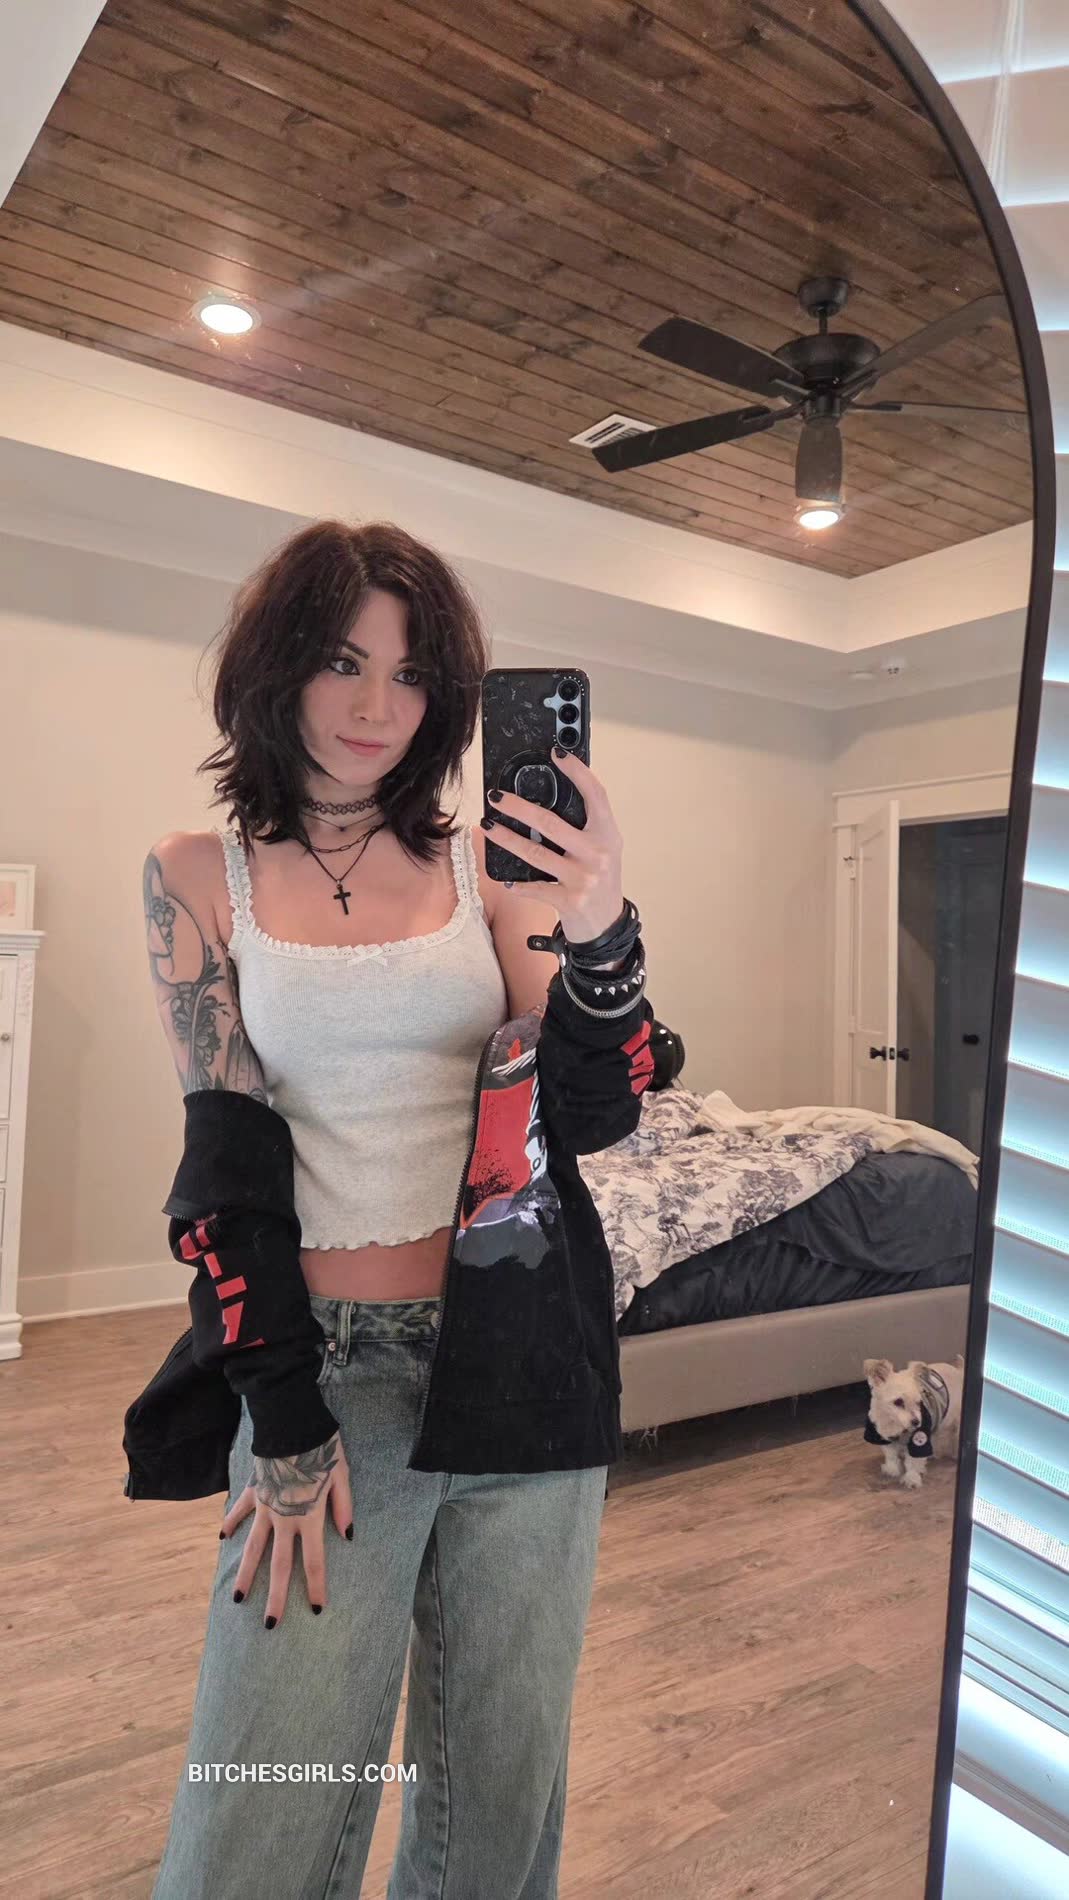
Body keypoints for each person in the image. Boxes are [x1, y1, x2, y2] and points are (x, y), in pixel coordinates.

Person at [135, 519, 654, 1899]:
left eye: (414, 674)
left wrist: (601, 926)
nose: (378, 705)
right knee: (266, 1805)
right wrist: (281, 1420)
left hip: (527, 1354)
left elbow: (593, 1110)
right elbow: (227, 1162)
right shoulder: (196, 876)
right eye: (344, 661)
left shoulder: (488, 869)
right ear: (277, 666)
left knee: (496, 1801)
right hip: (333, 1370)